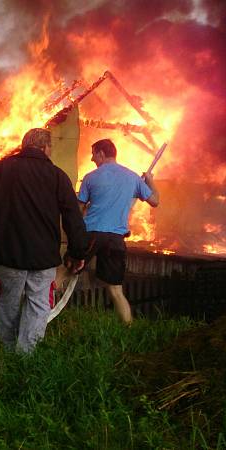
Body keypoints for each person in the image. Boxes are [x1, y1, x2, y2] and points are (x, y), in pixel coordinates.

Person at [0, 128, 89, 353]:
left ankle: (9, 351)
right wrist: (78, 252)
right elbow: (73, 216)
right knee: (39, 306)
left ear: (24, 146)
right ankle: (26, 358)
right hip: (43, 259)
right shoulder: (58, 176)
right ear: (45, 148)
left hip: (7, 255)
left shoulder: (1, 170)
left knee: (7, 305)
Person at [78, 138, 160, 325]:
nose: (92, 159)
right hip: (115, 239)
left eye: (93, 154)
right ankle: (128, 330)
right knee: (115, 289)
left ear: (101, 153)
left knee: (65, 272)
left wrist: (78, 226)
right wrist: (150, 181)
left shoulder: (91, 177)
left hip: (91, 234)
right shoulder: (132, 178)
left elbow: (78, 208)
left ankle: (40, 315)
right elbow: (155, 200)